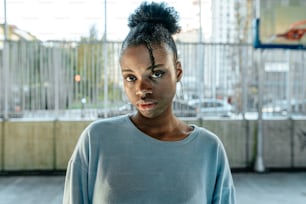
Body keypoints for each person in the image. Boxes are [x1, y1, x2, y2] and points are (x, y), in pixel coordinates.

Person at [62, 1, 236, 204]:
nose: (142, 89)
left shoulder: (209, 150)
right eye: (131, 77)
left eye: (156, 73)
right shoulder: (96, 140)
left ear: (178, 72)